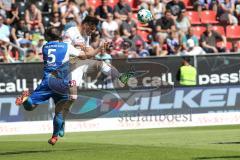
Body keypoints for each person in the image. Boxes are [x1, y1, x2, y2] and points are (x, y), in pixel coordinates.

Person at [15, 28, 87, 145]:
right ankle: (55, 135)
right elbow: (83, 55)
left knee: (31, 106)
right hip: (64, 81)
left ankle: (27, 99)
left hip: (48, 81)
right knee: (63, 107)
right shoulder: (67, 46)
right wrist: (84, 49)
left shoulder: (45, 47)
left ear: (48, 37)